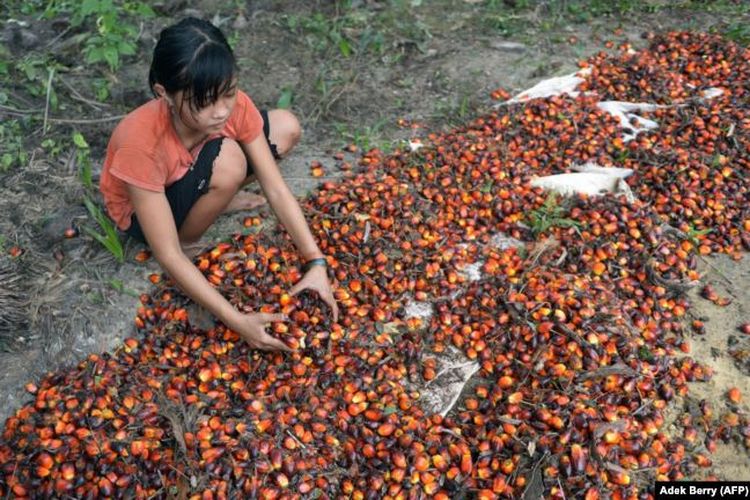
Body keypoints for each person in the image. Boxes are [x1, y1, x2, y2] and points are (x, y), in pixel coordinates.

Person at [99, 17, 338, 351]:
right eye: (204, 101)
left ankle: (217, 194)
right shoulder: (140, 144)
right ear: (163, 93)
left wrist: (315, 262)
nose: (221, 111)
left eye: (228, 93)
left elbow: (275, 188)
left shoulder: (229, 106)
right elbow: (166, 254)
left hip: (195, 169)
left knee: (285, 127)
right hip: (146, 212)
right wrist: (236, 320)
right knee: (229, 163)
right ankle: (193, 237)